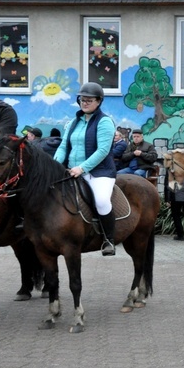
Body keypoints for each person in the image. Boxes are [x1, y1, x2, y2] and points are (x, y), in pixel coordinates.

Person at [53, 82, 118, 256]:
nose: (85, 102)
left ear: (99, 101)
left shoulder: (105, 122)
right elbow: (63, 146)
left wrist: (82, 168)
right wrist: (55, 165)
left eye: (89, 100)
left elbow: (103, 151)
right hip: (71, 170)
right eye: (82, 99)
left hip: (99, 172)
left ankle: (108, 240)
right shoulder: (73, 122)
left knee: (102, 200)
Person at [165, 174, 184, 243]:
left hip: (176, 196)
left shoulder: (172, 169)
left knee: (176, 215)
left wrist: (167, 199)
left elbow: (168, 185)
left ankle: (180, 235)